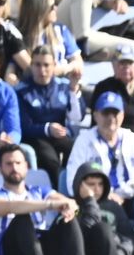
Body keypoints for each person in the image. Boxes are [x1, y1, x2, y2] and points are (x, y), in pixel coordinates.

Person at [0, 144, 88, 255]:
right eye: (8, 164)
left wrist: (69, 208)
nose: (14, 168)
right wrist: (49, 205)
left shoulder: (40, 191)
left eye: (18, 163)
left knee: (66, 219)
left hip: (41, 250)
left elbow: (68, 202)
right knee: (22, 218)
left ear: (26, 166)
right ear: (0, 169)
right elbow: (10, 207)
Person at [64, 91, 134, 204]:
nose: (111, 118)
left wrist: (125, 193)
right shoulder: (84, 140)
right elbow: (73, 182)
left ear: (122, 115)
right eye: (106, 113)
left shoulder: (133, 139)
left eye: (115, 113)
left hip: (132, 197)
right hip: (99, 200)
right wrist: (106, 194)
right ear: (95, 115)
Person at [17, 46, 84, 180]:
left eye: (46, 65)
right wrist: (47, 128)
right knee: (50, 160)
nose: (42, 70)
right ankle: (54, 192)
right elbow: (23, 127)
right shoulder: (21, 91)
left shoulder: (64, 86)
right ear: (31, 65)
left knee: (77, 151)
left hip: (60, 135)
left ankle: (72, 188)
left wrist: (73, 89)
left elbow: (78, 117)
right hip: (35, 137)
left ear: (54, 65)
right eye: (37, 65)